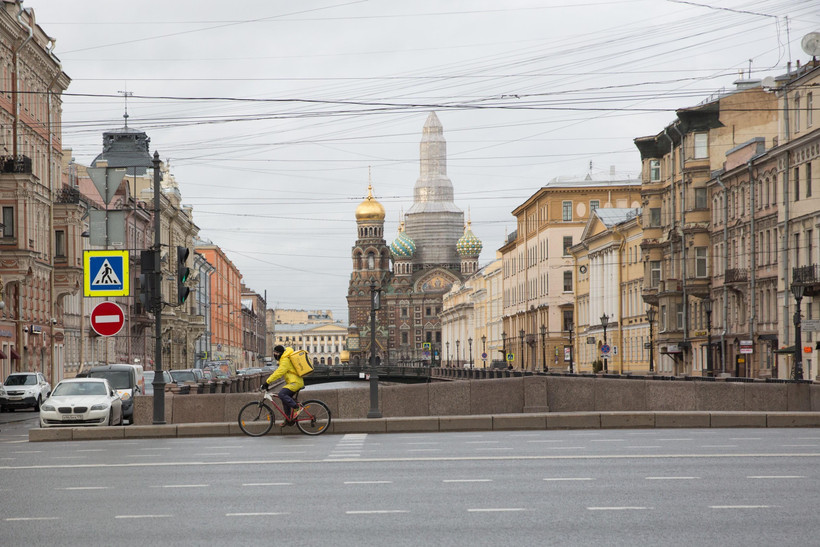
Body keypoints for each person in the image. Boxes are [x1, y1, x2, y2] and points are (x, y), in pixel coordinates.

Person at [260, 345, 304, 425]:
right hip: (294, 382)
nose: (275, 354)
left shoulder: (285, 360)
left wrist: (267, 382)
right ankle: (289, 419)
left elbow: (279, 372)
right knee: (285, 399)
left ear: (279, 353)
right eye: (274, 353)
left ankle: (297, 408)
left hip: (295, 383)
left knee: (281, 394)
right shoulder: (285, 358)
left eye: (276, 353)